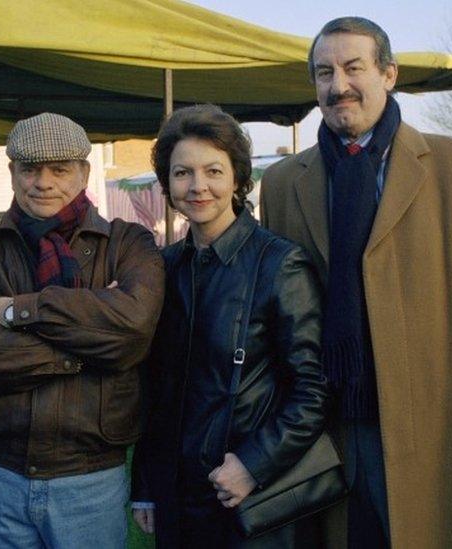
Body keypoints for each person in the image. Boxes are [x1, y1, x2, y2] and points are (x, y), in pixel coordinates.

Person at [259, 16, 452, 548]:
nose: (338, 85)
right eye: (323, 72)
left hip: (437, 425)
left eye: (353, 67)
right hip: (323, 429)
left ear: (389, 74)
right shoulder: (285, 182)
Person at [0, 112, 165, 549]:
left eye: (59, 169)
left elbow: (134, 329)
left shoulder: (129, 243)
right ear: (12, 172)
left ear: (84, 172)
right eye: (30, 168)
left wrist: (16, 312)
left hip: (91, 476)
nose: (43, 182)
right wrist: (85, 347)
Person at [130, 105, 328, 548]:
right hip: (178, 498)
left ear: (238, 178)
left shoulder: (280, 264)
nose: (198, 186)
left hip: (250, 499)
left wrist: (253, 465)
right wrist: (146, 484)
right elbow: (156, 389)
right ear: (167, 185)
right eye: (182, 173)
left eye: (213, 171)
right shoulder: (163, 268)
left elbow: (312, 391)